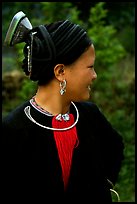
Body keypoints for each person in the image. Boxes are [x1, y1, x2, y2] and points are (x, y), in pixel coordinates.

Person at [2, 11, 124, 203]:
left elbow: (116, 148)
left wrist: (102, 188)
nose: (94, 75)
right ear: (60, 71)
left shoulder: (90, 116)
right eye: (90, 67)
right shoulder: (12, 130)